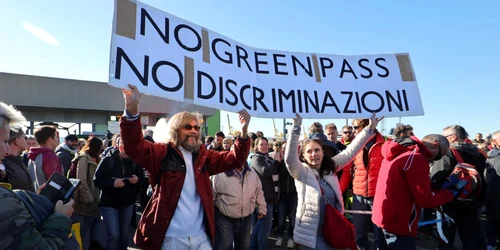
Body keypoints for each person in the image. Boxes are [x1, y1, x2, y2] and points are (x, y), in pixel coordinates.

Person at [120, 84, 252, 250]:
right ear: (176, 129)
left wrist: (244, 132)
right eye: (188, 127)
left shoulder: (203, 155)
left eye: (196, 127)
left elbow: (235, 160)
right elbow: (134, 147)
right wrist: (132, 112)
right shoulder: (163, 152)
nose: (193, 131)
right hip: (171, 238)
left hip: (201, 236)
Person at [284, 113, 382, 250]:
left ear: (323, 153)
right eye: (309, 151)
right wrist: (296, 127)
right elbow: (289, 159)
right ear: (303, 156)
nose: (314, 154)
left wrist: (369, 128)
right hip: (311, 236)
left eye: (317, 150)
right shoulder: (301, 173)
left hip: (333, 232)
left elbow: (350, 152)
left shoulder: (331, 168)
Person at [0, 101, 75, 249]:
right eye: (3, 141)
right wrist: (60, 217)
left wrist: (30, 200)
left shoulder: (27, 158)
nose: (7, 150)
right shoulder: (49, 157)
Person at [372, 134, 460, 250]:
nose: (434, 160)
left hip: (382, 218)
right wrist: (450, 192)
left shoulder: (397, 152)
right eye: (438, 156)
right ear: (435, 145)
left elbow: (404, 186)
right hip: (400, 222)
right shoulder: (416, 158)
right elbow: (425, 199)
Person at [430, 125, 487, 250]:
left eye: (444, 138)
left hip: (449, 202)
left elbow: (435, 179)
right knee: (471, 237)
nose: (441, 141)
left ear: (453, 137)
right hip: (472, 201)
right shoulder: (479, 153)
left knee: (446, 238)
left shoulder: (448, 153)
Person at [94, 136, 145, 250]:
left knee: (124, 235)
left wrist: (137, 180)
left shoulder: (135, 161)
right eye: (124, 144)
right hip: (109, 204)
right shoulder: (107, 160)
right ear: (117, 145)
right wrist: (112, 183)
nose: (127, 148)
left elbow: (143, 181)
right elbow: (96, 181)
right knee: (114, 235)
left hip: (127, 203)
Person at [73, 137, 104, 250]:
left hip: (97, 199)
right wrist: (88, 198)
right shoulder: (83, 158)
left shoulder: (98, 159)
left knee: (94, 229)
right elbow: (81, 180)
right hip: (86, 200)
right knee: (84, 230)